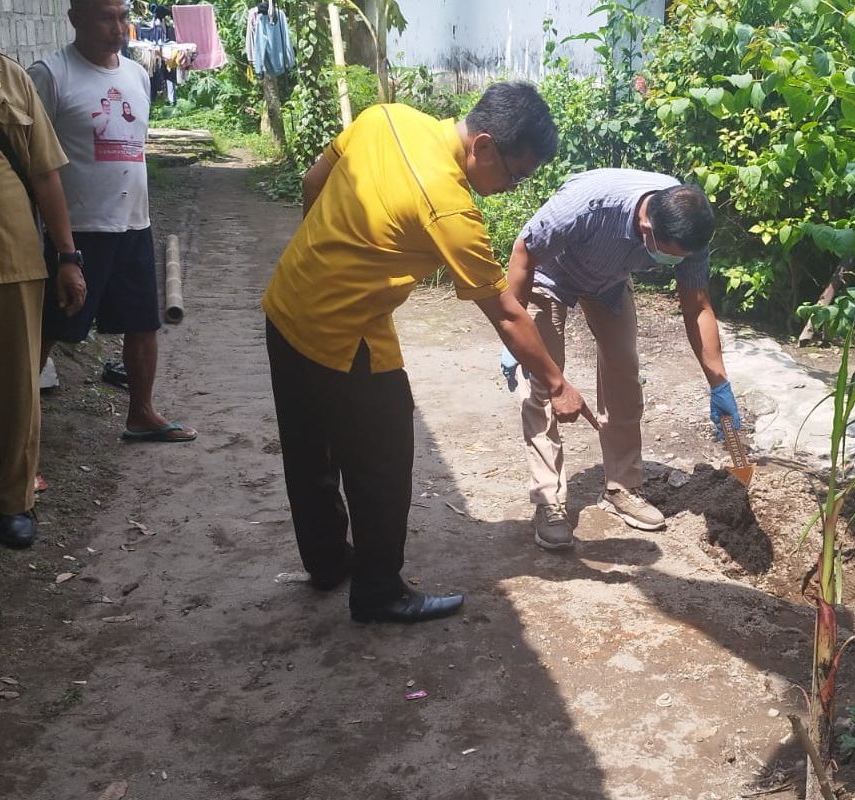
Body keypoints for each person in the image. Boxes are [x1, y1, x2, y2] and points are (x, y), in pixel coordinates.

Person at [262, 81, 591, 625]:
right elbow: (508, 314)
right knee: (383, 459)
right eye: (514, 175)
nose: (510, 188)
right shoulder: (449, 208)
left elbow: (313, 180)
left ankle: (326, 562)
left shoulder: (387, 117)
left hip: (286, 303)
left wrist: (326, 257)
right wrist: (557, 383)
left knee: (307, 449)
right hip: (342, 335)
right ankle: (378, 592)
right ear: (483, 146)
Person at [503, 168, 742, 550]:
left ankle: (621, 488)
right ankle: (549, 500)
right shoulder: (587, 205)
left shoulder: (689, 229)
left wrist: (719, 383)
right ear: (647, 229)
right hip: (549, 276)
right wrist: (513, 330)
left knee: (625, 376)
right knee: (543, 385)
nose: (674, 263)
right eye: (670, 257)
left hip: (608, 282)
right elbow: (524, 252)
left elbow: (697, 306)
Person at [29, 0, 196, 444]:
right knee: (49, 328)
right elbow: (33, 163)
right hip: (77, 230)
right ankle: (15, 435)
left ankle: (141, 414)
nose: (118, 28)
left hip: (133, 224)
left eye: (123, 16)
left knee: (142, 322)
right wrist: (64, 251)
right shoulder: (50, 75)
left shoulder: (137, 75)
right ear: (76, 19)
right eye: (106, 17)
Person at [0, 51, 86, 548]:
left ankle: (13, 500)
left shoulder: (9, 77)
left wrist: (68, 256)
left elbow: (46, 174)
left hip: (9, 259)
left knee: (16, 386)